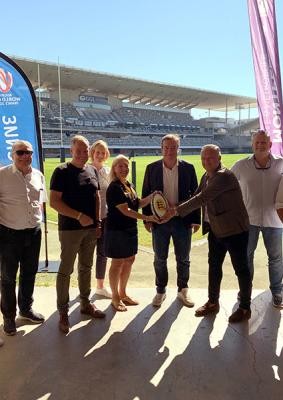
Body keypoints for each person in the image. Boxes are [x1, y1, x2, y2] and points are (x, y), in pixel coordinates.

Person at [163, 144, 252, 323]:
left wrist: (174, 211)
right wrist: (171, 206)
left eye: (210, 158)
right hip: (216, 230)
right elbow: (194, 196)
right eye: (203, 158)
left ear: (219, 158)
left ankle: (244, 308)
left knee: (241, 270)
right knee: (214, 267)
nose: (206, 161)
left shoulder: (223, 176)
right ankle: (213, 302)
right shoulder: (206, 175)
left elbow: (201, 198)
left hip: (235, 231)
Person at [50, 135, 105, 334]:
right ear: (72, 151)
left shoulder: (91, 170)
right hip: (70, 230)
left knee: (86, 267)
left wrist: (98, 222)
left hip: (91, 229)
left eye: (85, 150)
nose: (82, 154)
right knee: (66, 270)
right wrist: (79, 215)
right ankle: (63, 312)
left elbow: (97, 196)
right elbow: (54, 202)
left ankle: (85, 303)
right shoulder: (61, 171)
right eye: (79, 150)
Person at [142, 134, 201, 307]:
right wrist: (147, 219)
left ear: (178, 148)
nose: (169, 150)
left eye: (173, 147)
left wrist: (195, 219)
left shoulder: (188, 168)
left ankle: (183, 290)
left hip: (182, 221)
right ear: (161, 149)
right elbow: (146, 193)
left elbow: (196, 196)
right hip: (159, 222)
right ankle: (160, 291)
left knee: (183, 258)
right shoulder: (151, 168)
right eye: (166, 147)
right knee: (160, 258)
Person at [231, 130, 283, 309]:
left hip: (275, 221)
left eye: (264, 142)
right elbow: (228, 184)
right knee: (246, 257)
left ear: (270, 145)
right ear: (252, 144)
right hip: (248, 221)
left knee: (275, 258)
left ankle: (277, 291)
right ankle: (245, 291)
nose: (260, 145)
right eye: (257, 142)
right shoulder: (240, 165)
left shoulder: (281, 163)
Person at [0, 140, 46, 336]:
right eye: (21, 152)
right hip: (9, 233)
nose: (26, 156)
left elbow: (40, 202)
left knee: (30, 272)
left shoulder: (38, 175)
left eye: (29, 152)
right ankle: (9, 317)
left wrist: (39, 221)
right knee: (8, 277)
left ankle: (25, 309)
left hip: (33, 232)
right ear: (12, 154)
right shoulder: (2, 175)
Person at [105, 155, 158, 311]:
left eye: (126, 166)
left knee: (129, 260)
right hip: (117, 230)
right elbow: (126, 210)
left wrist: (152, 197)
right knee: (117, 263)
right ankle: (115, 297)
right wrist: (147, 217)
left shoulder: (128, 184)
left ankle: (123, 293)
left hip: (129, 230)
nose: (124, 169)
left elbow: (137, 203)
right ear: (114, 169)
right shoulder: (114, 187)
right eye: (120, 166)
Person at [90, 140, 112, 298]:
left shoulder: (108, 171)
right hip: (88, 219)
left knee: (102, 252)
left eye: (103, 152)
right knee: (86, 253)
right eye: (97, 152)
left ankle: (100, 285)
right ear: (92, 152)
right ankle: (83, 287)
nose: (100, 155)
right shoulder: (86, 169)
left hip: (105, 216)